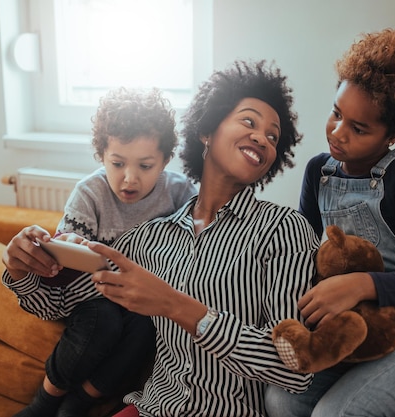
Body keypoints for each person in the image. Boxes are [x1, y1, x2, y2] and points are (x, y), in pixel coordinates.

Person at [81, 60, 320, 417]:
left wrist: (177, 306)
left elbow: (293, 366)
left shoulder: (285, 230)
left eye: (273, 137)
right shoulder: (150, 238)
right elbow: (65, 298)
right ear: (207, 130)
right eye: (249, 122)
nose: (262, 138)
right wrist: (28, 266)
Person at [265, 25, 395, 417]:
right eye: (336, 113)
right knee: (280, 400)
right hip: (365, 324)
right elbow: (307, 251)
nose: (337, 133)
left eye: (358, 128)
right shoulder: (319, 172)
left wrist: (359, 284)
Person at [2, 87, 198, 417]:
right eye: (117, 163)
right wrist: (65, 250)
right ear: (101, 154)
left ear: (165, 160)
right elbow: (60, 276)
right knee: (103, 320)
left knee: (145, 326)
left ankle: (80, 402)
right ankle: (45, 401)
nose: (129, 179)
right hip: (92, 298)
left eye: (146, 166)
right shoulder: (89, 195)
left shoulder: (180, 192)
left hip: (145, 302)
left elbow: (199, 249)